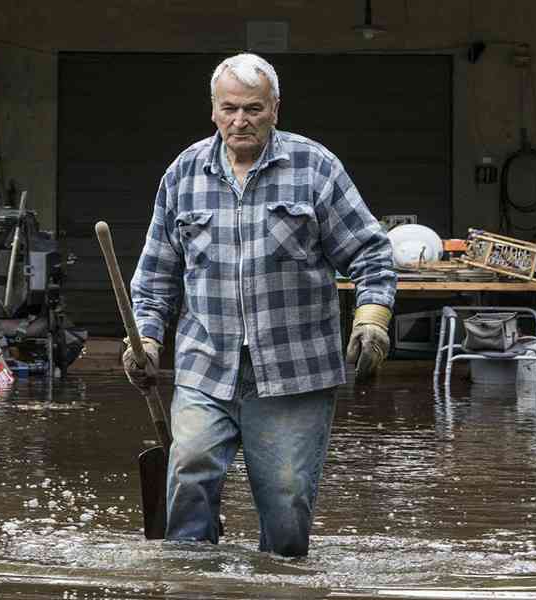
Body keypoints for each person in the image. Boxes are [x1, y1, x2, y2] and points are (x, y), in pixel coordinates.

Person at [122, 53, 397, 557]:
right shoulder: (183, 175)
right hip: (207, 367)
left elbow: (371, 254)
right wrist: (144, 338)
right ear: (213, 110)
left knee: (288, 504)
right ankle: (191, 586)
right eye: (229, 108)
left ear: (276, 108)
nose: (240, 120)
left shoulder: (314, 168)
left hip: (295, 372)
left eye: (253, 108)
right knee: (187, 477)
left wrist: (372, 320)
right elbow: (156, 276)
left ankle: (282, 584)